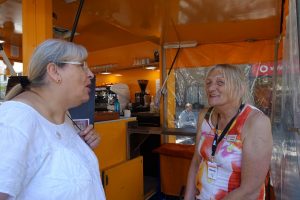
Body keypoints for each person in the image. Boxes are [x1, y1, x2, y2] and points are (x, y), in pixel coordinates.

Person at [0, 39, 106, 200]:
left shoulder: (65, 118)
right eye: (82, 65)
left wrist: (82, 147)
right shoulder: (16, 119)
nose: (90, 74)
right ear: (54, 71)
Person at [184, 64, 273, 200]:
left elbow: (250, 190)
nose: (211, 88)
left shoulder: (255, 122)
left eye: (220, 82)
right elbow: (196, 162)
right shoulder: (205, 116)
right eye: (208, 83)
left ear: (240, 88)